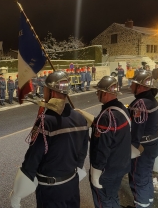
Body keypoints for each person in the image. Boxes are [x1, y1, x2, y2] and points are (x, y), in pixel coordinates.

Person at [10, 71, 89, 208]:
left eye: (45, 89)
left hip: (51, 191)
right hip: (72, 185)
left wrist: (17, 194)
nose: (44, 92)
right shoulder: (80, 118)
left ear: (51, 92)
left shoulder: (46, 122)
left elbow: (33, 159)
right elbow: (82, 152)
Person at [78, 76, 131, 208]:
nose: (97, 95)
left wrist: (96, 172)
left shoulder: (107, 116)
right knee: (112, 197)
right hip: (121, 164)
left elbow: (102, 149)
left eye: (99, 92)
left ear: (106, 93)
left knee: (103, 202)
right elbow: (113, 132)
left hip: (107, 170)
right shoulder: (121, 110)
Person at [128, 70, 158, 208]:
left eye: (133, 84)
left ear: (140, 86)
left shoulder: (140, 104)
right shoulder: (152, 101)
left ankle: (141, 205)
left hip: (142, 146)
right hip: (154, 142)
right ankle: (148, 204)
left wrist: (130, 149)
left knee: (137, 179)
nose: (130, 86)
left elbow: (136, 130)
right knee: (146, 177)